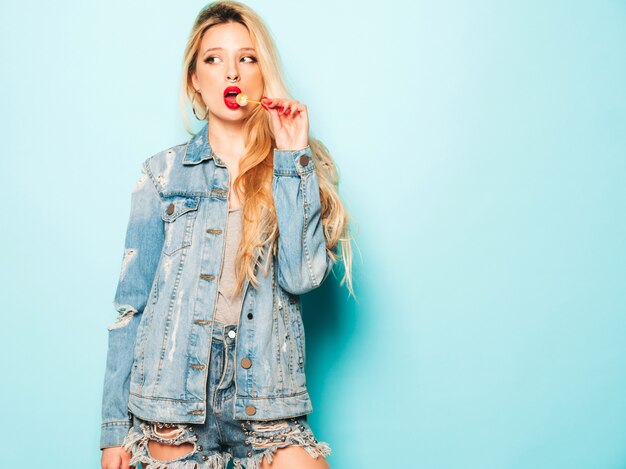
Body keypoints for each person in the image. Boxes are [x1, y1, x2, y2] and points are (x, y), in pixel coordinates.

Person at [99, 1, 354, 468]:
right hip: (171, 399)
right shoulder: (161, 175)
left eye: (247, 58)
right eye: (213, 59)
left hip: (267, 396)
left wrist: (293, 157)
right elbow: (131, 307)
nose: (231, 72)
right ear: (195, 80)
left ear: (262, 75)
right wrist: (114, 429)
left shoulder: (293, 169)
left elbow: (302, 277)